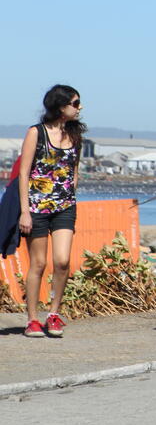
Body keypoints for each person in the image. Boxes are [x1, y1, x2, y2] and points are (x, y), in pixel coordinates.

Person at [15, 85, 86, 338]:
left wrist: (71, 191)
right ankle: (32, 318)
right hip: (36, 207)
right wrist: (25, 211)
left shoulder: (76, 134)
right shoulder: (36, 133)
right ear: (60, 106)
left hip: (65, 207)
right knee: (39, 263)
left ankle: (54, 313)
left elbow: (75, 170)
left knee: (63, 261)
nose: (80, 108)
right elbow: (24, 173)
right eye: (75, 103)